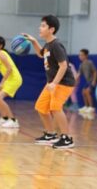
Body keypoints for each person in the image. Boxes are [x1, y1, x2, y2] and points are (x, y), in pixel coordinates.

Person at [23, 14, 76, 149]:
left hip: (63, 82)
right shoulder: (48, 45)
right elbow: (41, 54)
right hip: (52, 82)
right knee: (41, 107)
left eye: (43, 26)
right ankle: (51, 134)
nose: (39, 28)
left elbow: (63, 65)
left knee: (55, 107)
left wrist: (54, 83)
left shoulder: (56, 45)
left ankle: (67, 138)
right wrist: (34, 41)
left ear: (51, 29)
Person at [77, 49, 97, 114]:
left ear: (86, 56)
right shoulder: (81, 65)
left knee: (87, 92)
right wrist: (75, 80)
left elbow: (95, 71)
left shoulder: (89, 62)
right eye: (79, 55)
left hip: (92, 80)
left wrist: (94, 81)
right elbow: (79, 74)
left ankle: (91, 108)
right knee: (83, 92)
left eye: (82, 55)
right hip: (88, 81)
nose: (80, 56)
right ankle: (86, 106)